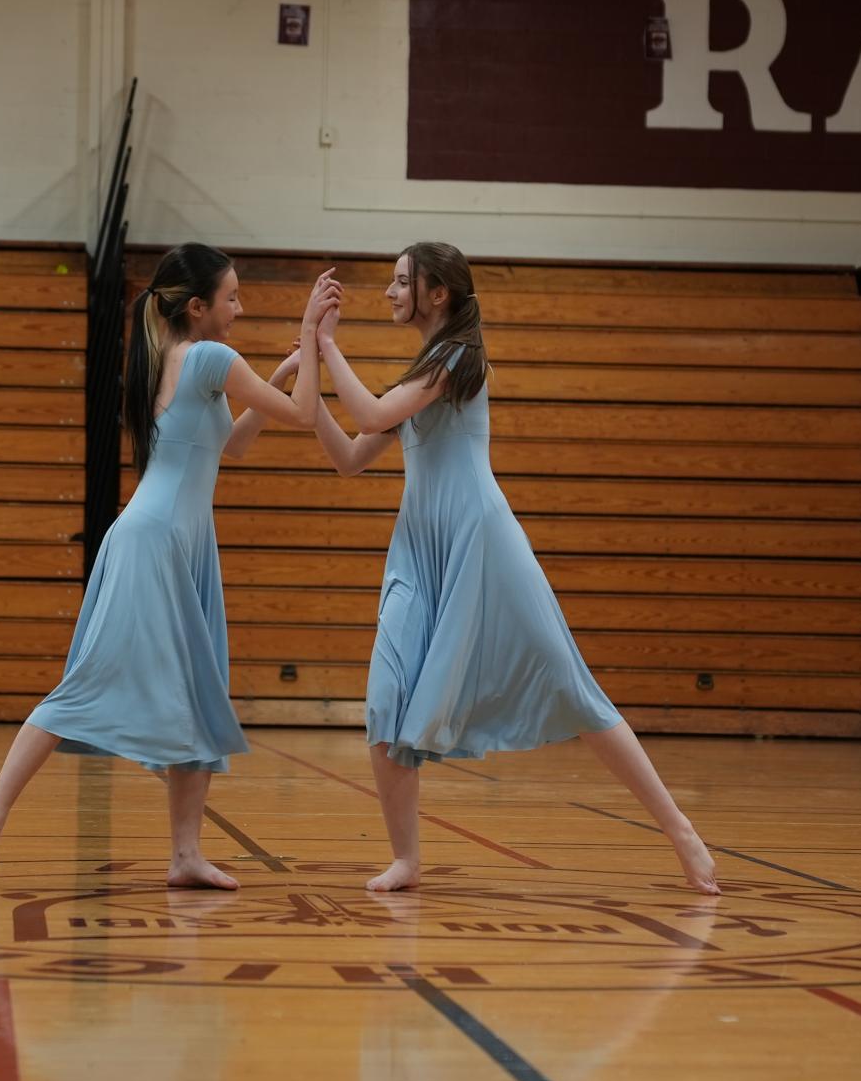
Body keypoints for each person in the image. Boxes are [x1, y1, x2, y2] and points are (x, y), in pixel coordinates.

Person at [307, 242, 719, 895]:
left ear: (436, 293)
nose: (387, 292)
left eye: (399, 281)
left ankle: (679, 830)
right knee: (385, 702)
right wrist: (310, 374)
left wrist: (326, 347)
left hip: (483, 541)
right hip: (418, 550)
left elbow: (373, 413)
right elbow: (351, 455)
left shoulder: (457, 357)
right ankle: (406, 859)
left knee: (570, 685)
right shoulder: (419, 370)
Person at [0, 244, 337, 892]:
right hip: (155, 541)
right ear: (197, 306)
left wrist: (275, 374)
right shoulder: (211, 358)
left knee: (196, 695)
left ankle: (185, 853)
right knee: (82, 687)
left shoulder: (171, 358)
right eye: (232, 298)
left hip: (179, 543)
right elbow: (306, 417)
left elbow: (234, 443)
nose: (240, 309)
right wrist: (309, 332)